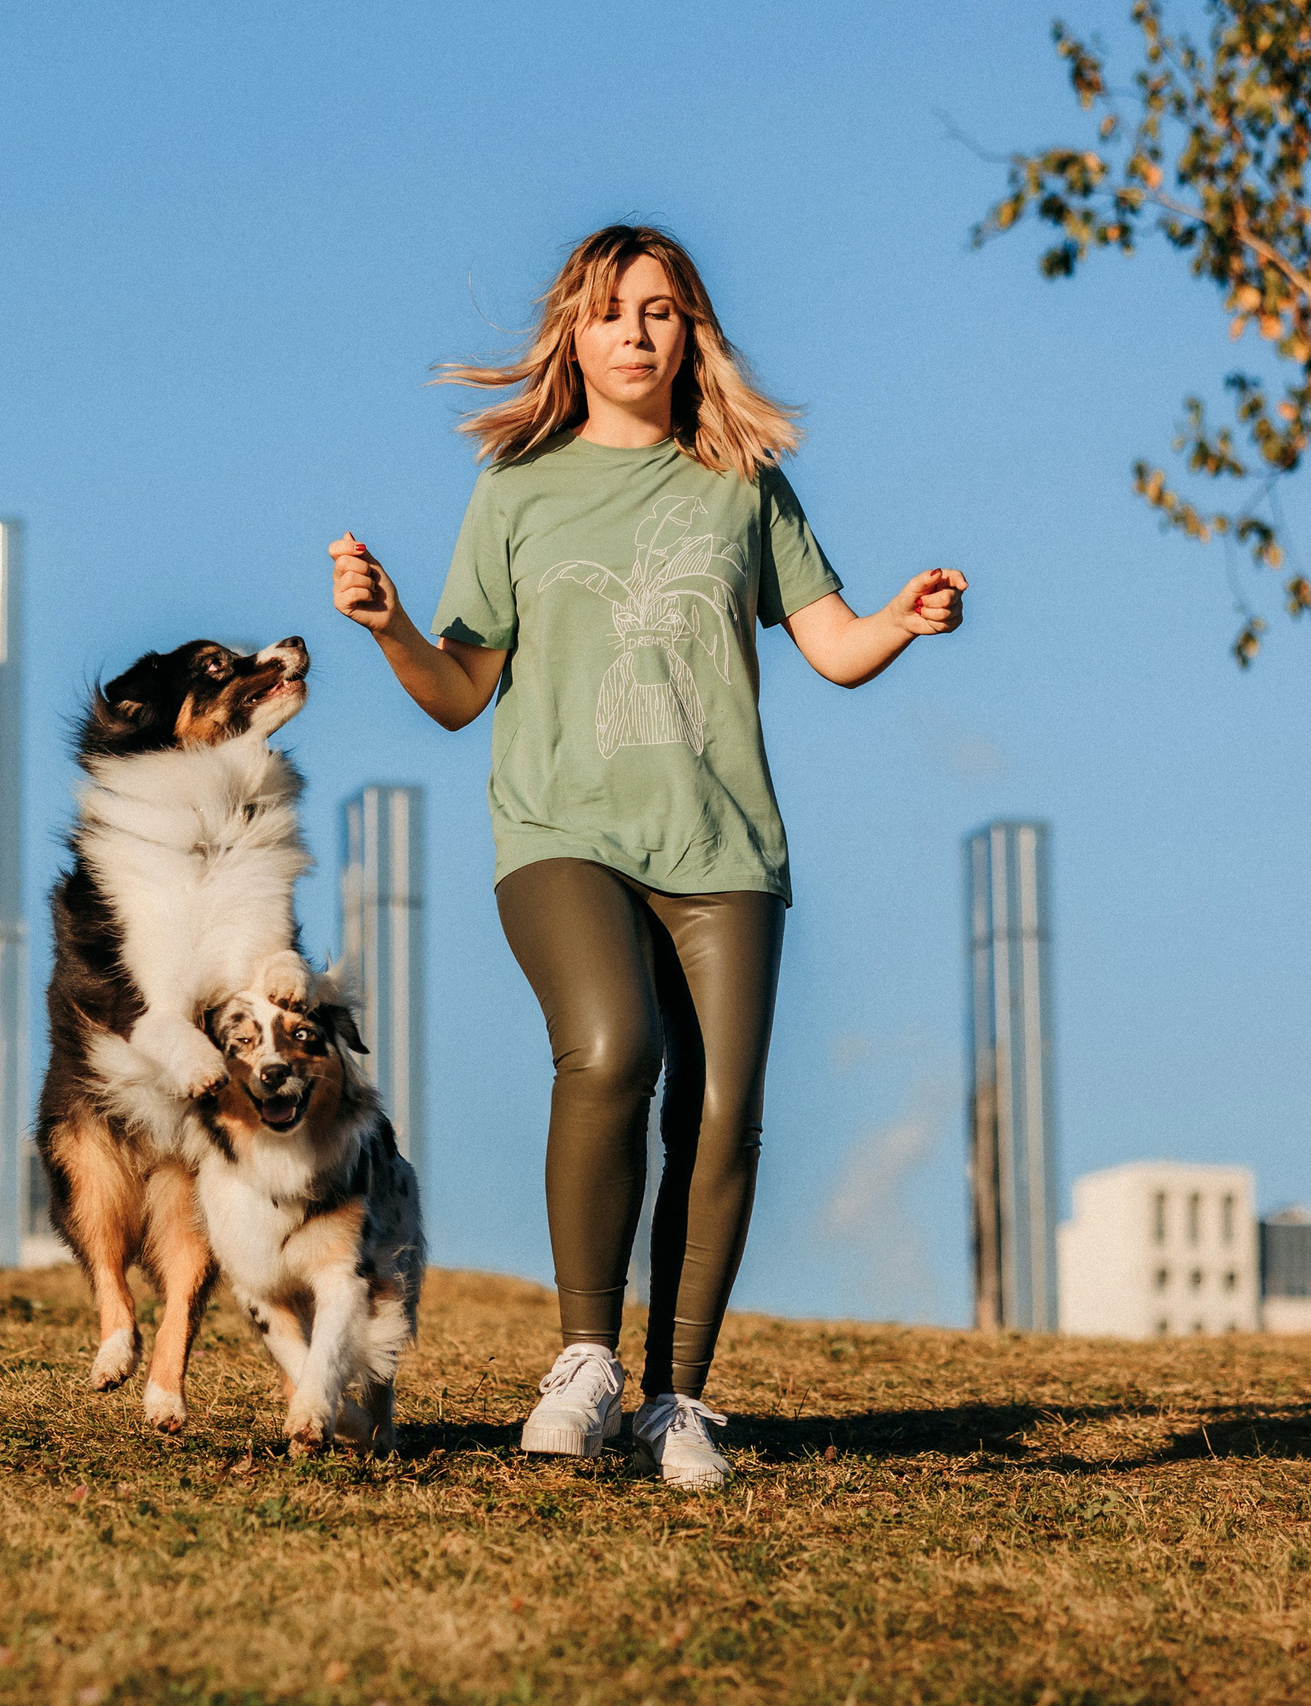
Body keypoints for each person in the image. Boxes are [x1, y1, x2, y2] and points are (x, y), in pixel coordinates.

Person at [328, 224, 964, 1489]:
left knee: (723, 1117)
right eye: (612, 309)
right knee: (614, 1047)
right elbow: (462, 692)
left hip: (723, 843)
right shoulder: (516, 488)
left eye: (660, 311)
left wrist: (901, 616)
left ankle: (676, 1398)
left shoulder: (745, 483)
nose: (635, 330)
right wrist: (393, 623)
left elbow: (830, 647)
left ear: (691, 337)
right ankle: (582, 1361)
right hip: (560, 831)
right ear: (573, 330)